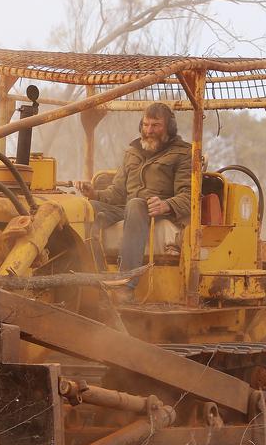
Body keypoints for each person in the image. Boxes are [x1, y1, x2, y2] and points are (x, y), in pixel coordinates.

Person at [76, 102, 191, 302]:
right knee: (84, 209)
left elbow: (189, 195)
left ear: (169, 128)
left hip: (157, 211)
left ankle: (125, 286)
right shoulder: (132, 152)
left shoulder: (183, 154)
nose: (149, 130)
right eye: (146, 125)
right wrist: (93, 193)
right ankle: (97, 279)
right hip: (127, 208)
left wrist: (167, 204)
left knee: (136, 204)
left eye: (156, 125)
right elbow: (117, 192)